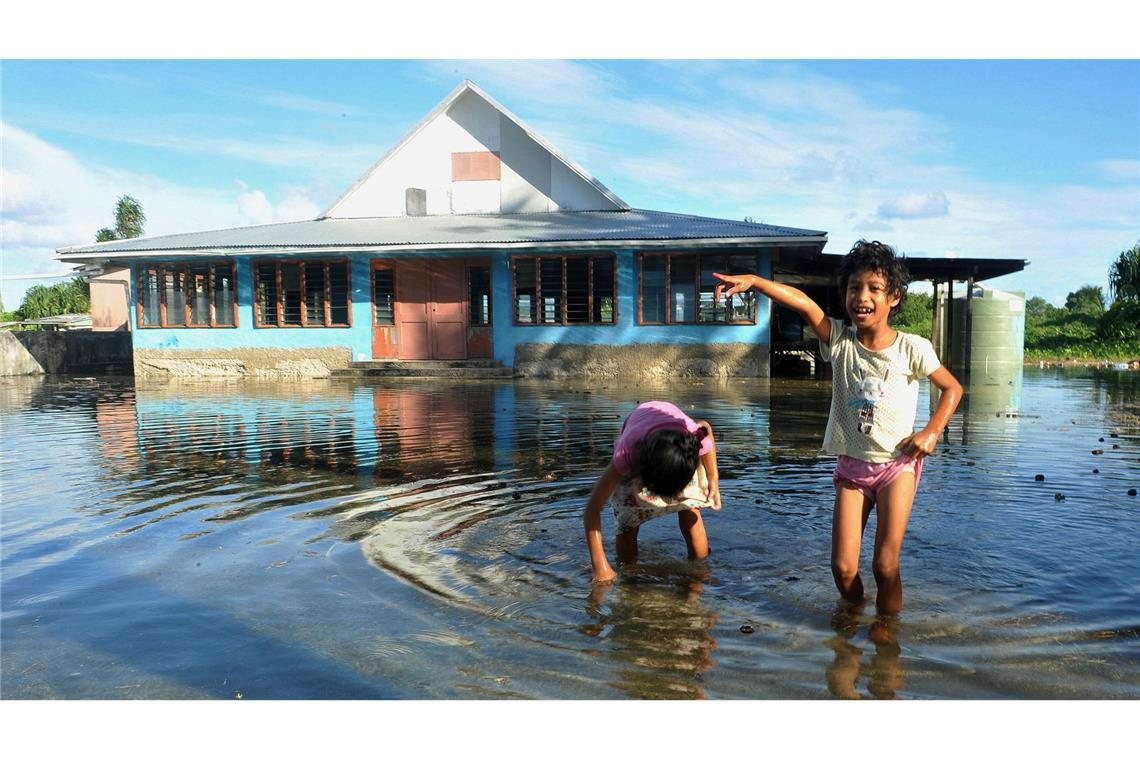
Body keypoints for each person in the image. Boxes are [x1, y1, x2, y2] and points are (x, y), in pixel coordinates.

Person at [713, 239, 962, 614]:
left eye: (874, 288)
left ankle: (887, 634)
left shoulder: (913, 348)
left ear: (893, 297)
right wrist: (756, 282)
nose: (862, 296)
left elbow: (952, 388)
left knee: (884, 564)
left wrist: (931, 432)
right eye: (854, 287)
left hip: (898, 465)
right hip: (853, 467)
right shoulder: (841, 341)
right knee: (843, 568)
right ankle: (854, 614)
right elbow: (803, 304)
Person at [584, 401, 721, 584]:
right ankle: (629, 576)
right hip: (642, 456)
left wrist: (713, 481)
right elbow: (592, 510)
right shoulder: (627, 454)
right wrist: (600, 567)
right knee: (627, 524)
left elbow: (705, 428)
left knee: (691, 511)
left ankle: (700, 571)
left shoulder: (690, 440)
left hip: (676, 452)